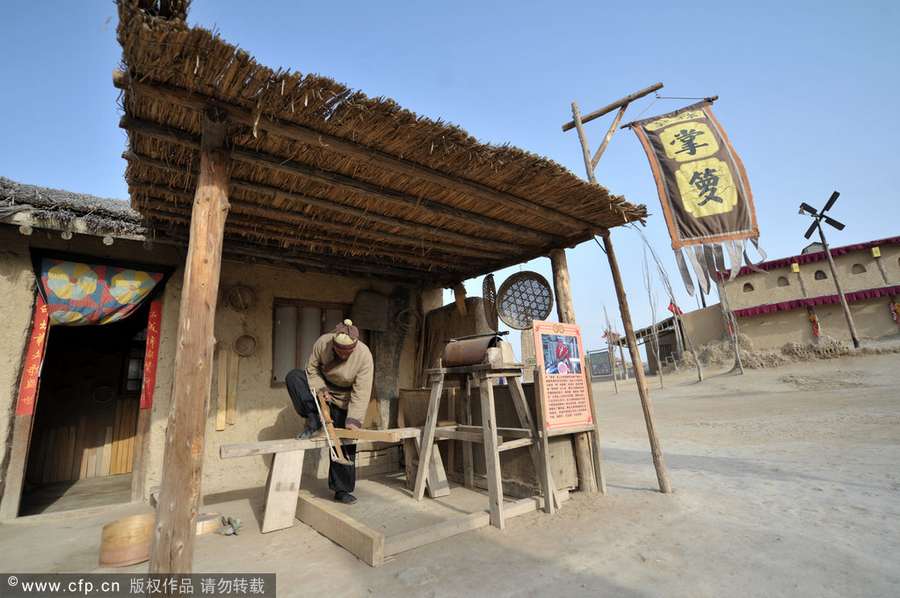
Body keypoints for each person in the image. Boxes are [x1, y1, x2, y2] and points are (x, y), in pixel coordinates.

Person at [285, 319, 373, 504]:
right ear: (333, 344)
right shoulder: (323, 343)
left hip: (346, 400)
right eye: (339, 350)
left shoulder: (364, 355)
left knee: (346, 442)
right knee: (294, 377)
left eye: (346, 352)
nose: (342, 354)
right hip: (322, 392)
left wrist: (353, 420)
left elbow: (362, 391)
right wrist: (321, 389)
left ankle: (342, 490)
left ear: (354, 347)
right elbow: (312, 369)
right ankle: (314, 417)